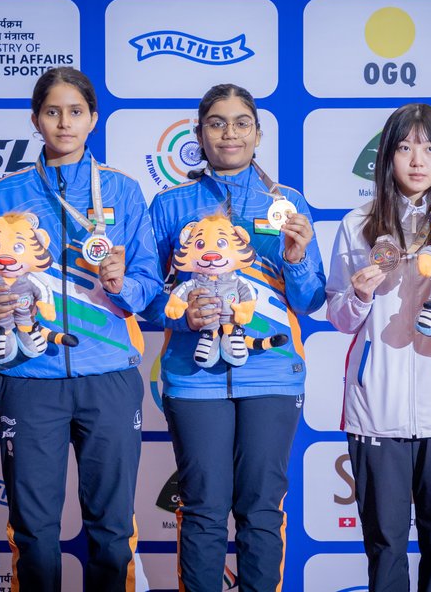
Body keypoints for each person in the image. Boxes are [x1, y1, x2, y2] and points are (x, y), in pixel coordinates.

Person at [0, 67, 163, 591]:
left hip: (109, 377)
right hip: (28, 378)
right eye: (52, 112)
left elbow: (148, 286)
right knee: (33, 532)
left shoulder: (122, 188)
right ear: (36, 120)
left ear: (92, 119)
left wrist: (121, 284)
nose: (64, 122)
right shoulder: (6, 194)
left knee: (113, 530)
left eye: (75, 112)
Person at [145, 83, 326, 591]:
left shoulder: (287, 203)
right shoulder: (170, 205)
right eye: (217, 122)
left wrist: (295, 259)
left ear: (258, 133)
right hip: (193, 377)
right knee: (203, 508)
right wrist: (185, 315)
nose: (230, 133)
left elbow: (311, 299)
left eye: (241, 122)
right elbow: (146, 299)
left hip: (272, 375)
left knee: (261, 509)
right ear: (198, 134)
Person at [325, 103, 431, 592]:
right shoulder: (357, 224)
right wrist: (359, 292)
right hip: (376, 406)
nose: (417, 160)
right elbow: (339, 316)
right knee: (384, 543)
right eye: (404, 147)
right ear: (386, 157)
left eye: (428, 147)